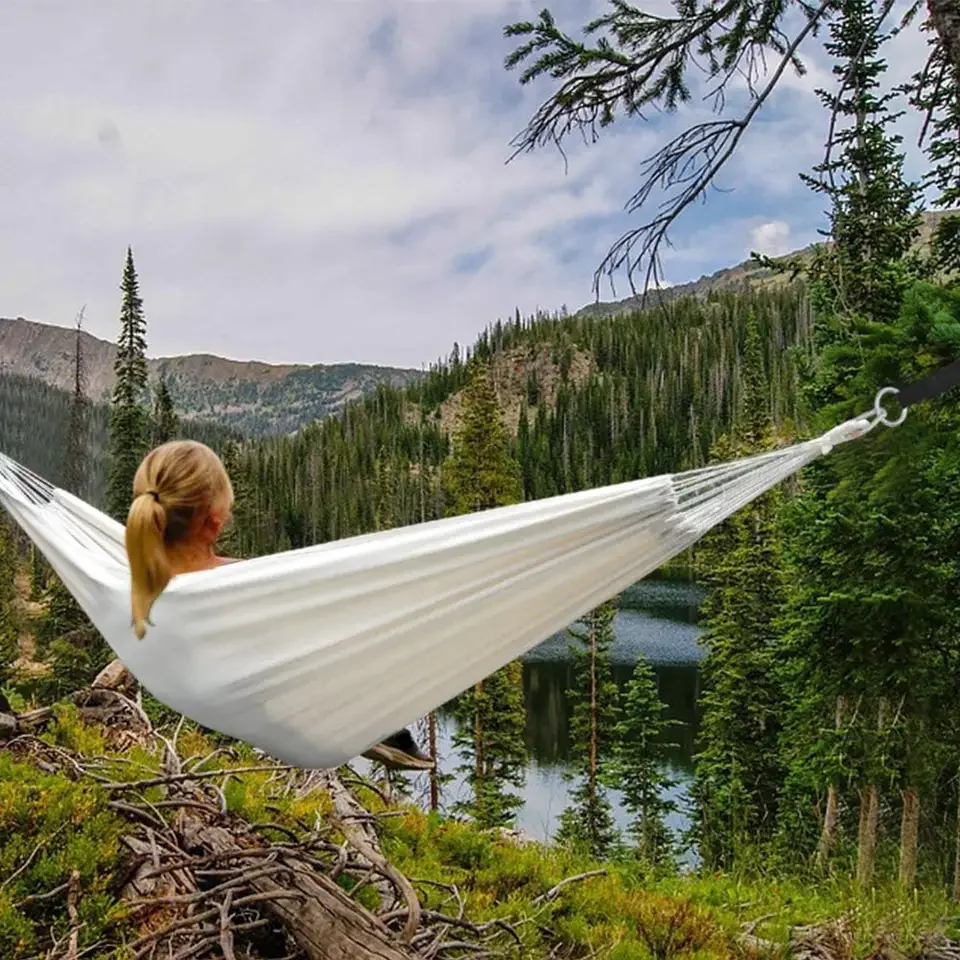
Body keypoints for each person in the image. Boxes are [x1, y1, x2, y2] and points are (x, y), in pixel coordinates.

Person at [124, 438, 432, 771]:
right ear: (216, 518)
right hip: (271, 689)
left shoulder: (132, 571)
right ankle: (371, 722)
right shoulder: (240, 581)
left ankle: (366, 720)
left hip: (222, 676)